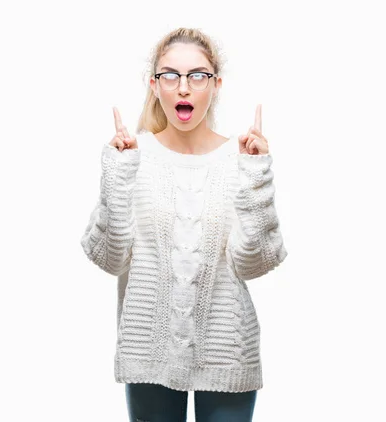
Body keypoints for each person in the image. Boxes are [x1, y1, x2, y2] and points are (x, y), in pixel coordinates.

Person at [80, 27, 287, 422]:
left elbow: (254, 264)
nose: (184, 88)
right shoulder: (132, 156)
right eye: (170, 75)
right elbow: (108, 258)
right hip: (149, 352)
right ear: (155, 85)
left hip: (227, 350)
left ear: (216, 84)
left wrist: (256, 174)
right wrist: (117, 176)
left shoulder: (241, 157)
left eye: (198, 75)